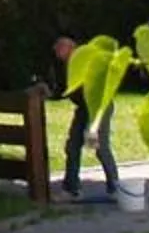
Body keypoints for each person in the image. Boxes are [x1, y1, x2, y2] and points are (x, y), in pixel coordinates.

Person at [51, 34, 120, 199]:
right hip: (83, 108)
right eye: (57, 52)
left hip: (98, 106)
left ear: (71, 48)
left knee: (98, 146)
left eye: (61, 50)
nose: (58, 55)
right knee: (72, 145)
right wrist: (49, 92)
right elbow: (63, 89)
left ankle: (116, 187)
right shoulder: (64, 66)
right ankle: (71, 188)